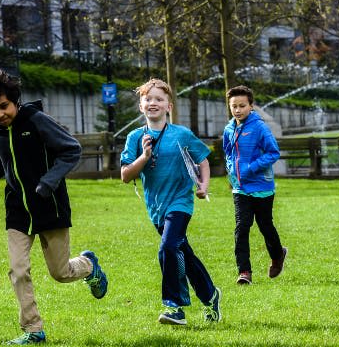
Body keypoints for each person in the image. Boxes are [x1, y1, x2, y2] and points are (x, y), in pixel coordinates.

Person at [0, 69, 108, 345]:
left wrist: (49, 182)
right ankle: (33, 330)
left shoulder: (36, 120)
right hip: (17, 211)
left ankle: (89, 265)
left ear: (15, 101)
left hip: (50, 206)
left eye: (3, 106)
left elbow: (71, 149)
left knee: (61, 273)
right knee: (18, 270)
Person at [120, 78, 221, 326]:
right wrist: (144, 157)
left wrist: (204, 186)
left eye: (159, 99)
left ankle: (174, 307)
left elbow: (203, 160)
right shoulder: (135, 137)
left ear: (169, 106)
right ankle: (210, 295)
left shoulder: (181, 135)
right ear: (141, 106)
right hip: (156, 208)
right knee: (181, 253)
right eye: (148, 99)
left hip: (180, 203)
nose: (153, 103)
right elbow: (125, 175)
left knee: (167, 248)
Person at [222, 85, 287, 286]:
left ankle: (278, 255)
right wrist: (231, 171)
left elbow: (273, 152)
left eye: (242, 106)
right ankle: (244, 272)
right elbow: (228, 153)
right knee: (242, 227)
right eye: (234, 106)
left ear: (251, 106)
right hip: (240, 188)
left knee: (265, 226)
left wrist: (250, 168)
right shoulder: (229, 129)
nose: (238, 110)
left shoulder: (259, 128)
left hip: (262, 188)